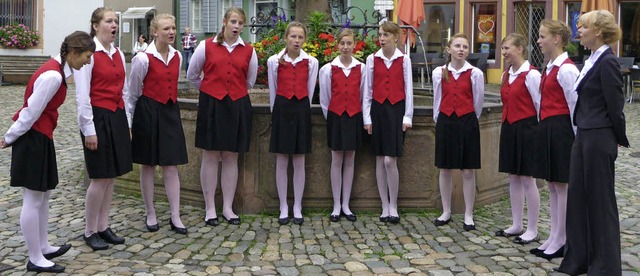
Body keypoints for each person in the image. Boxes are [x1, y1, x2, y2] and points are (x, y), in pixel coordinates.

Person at [0, 31, 94, 274]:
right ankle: (35, 257)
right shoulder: (53, 75)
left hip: (42, 137)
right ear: (73, 53)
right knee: (32, 199)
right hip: (33, 138)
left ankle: (43, 246)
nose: (88, 61)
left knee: (43, 195)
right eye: (86, 56)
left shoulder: (59, 71)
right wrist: (9, 137)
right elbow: (30, 111)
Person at [558, 10, 629, 275]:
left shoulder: (607, 62)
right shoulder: (591, 60)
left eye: (583, 26)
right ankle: (578, 259)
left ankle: (605, 266)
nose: (579, 31)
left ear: (598, 31)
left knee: (600, 203)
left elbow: (615, 105)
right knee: (578, 199)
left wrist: (617, 137)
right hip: (584, 135)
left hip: (599, 136)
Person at [187, 7, 257, 226]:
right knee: (210, 155)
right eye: (233, 22)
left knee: (230, 156)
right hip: (212, 104)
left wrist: (232, 93)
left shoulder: (249, 50)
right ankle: (210, 208)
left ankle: (228, 207)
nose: (237, 27)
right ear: (225, 22)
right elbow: (192, 75)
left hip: (237, 105)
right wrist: (210, 90)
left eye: (240, 23)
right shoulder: (205, 46)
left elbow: (250, 81)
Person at [75, 7, 133, 251]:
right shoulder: (88, 54)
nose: (114, 25)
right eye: (109, 21)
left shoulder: (118, 53)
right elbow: (82, 95)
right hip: (97, 118)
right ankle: (89, 230)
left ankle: (103, 226)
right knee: (99, 177)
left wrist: (127, 123)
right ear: (96, 26)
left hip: (116, 115)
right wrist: (88, 129)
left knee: (111, 177)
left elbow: (126, 90)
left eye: (116, 21)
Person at [129, 14, 188, 234]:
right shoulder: (142, 58)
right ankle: (150, 211)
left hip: (170, 111)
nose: (172, 32)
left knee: (171, 164)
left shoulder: (177, 56)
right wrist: (130, 124)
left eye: (173, 28)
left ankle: (175, 215)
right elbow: (133, 93)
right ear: (155, 32)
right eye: (166, 29)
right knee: (148, 164)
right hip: (148, 111)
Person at [530, 19, 579, 260]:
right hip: (548, 127)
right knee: (552, 185)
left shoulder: (567, 69)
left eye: (542, 36)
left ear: (556, 39)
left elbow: (575, 106)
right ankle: (555, 234)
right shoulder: (549, 67)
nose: (538, 40)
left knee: (562, 185)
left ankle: (563, 238)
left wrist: (576, 139)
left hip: (562, 130)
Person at [267, 21, 319, 225]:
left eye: (300, 37)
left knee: (299, 160)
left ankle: (297, 205)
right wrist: (275, 113)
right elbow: (273, 89)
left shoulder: (312, 62)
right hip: (281, 108)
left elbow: (309, 89)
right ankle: (283, 205)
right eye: (293, 36)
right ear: (286, 38)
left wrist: (302, 107)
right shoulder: (274, 61)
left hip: (301, 109)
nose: (296, 41)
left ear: (304, 40)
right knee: (281, 160)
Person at [431, 33, 484, 231]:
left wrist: (469, 117)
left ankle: (468, 214)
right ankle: (446, 211)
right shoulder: (439, 72)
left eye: (465, 47)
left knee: (467, 170)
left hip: (467, 120)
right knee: (444, 168)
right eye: (458, 46)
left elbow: (478, 101)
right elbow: (437, 98)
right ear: (449, 49)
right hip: (445, 120)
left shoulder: (475, 74)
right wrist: (440, 119)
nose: (461, 49)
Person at [362, 21, 413, 224]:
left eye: (385, 35)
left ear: (395, 37)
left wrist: (407, 116)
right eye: (380, 35)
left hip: (396, 110)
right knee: (379, 159)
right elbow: (368, 91)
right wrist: (367, 118)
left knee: (390, 160)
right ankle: (384, 205)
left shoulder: (404, 60)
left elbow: (409, 89)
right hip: (378, 110)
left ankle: (394, 204)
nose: (381, 38)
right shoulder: (372, 59)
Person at [494, 33, 541, 244]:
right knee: (513, 176)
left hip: (528, 129)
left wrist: (539, 133)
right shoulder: (506, 74)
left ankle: (532, 228)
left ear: (520, 49)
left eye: (507, 48)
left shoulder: (531, 75)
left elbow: (540, 106)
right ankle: (516, 224)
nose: (503, 53)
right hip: (509, 127)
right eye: (502, 49)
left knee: (527, 178)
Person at [319, 28, 365, 222]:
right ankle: (336, 204)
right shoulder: (328, 69)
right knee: (336, 160)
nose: (346, 47)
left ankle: (346, 204)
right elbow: (325, 98)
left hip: (354, 116)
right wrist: (332, 116)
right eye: (342, 43)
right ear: (337, 45)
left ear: (354, 45)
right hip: (336, 117)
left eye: (349, 43)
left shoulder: (361, 69)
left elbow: (364, 96)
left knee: (350, 159)